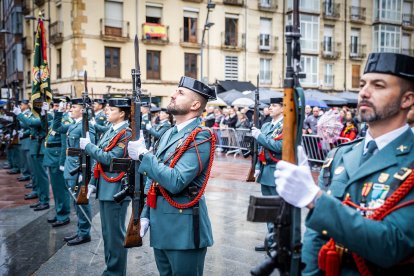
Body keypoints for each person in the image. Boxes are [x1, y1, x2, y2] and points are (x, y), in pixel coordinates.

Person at [274, 52, 414, 275]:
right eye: (362, 84)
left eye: (378, 86)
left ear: (407, 99)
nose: (365, 92)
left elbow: (392, 244)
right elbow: (316, 235)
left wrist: (315, 199)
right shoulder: (340, 155)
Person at [128, 76, 215, 276]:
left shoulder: (201, 136)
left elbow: (176, 181)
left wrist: (143, 155)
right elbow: (153, 180)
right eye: (176, 91)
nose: (173, 95)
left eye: (180, 92)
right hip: (161, 225)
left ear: (195, 104)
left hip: (183, 229)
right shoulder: (169, 133)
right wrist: (145, 215)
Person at [80, 98, 132, 275]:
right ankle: (111, 268)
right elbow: (100, 161)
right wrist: (93, 183)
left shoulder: (126, 133)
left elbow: (110, 159)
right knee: (107, 233)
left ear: (122, 113)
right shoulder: (112, 130)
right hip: (105, 186)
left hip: (116, 188)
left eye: (111, 109)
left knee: (115, 235)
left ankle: (116, 272)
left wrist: (89, 146)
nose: (106, 112)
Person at [53, 97, 96, 246]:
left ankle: (84, 233)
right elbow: (57, 128)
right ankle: (80, 231)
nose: (70, 109)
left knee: (81, 202)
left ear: (83, 110)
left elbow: (92, 152)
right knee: (76, 202)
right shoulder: (74, 125)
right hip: (71, 168)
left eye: (74, 107)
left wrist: (87, 175)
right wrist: (58, 112)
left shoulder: (87, 127)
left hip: (79, 170)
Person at [251, 97, 283, 252]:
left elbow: (278, 146)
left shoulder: (286, 126)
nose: (270, 108)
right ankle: (271, 240)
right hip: (265, 171)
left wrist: (259, 136)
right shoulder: (266, 125)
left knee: (278, 209)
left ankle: (279, 241)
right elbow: (261, 149)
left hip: (277, 171)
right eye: (270, 105)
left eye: (275, 105)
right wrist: (257, 166)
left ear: (284, 108)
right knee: (268, 209)